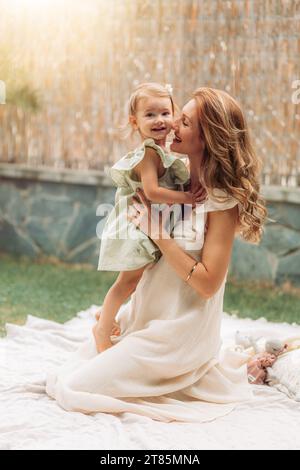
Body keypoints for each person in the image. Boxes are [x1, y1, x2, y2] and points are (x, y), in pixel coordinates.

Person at [45, 87, 267, 423]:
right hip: (147, 317)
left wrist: (157, 231)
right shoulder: (174, 177)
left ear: (207, 138)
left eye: (186, 121)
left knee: (75, 388)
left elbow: (207, 284)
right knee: (78, 366)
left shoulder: (221, 201)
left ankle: (192, 368)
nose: (173, 123)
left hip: (179, 333)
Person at [95, 82, 205, 353]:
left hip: (151, 224)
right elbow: (152, 192)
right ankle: (101, 331)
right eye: (150, 115)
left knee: (139, 282)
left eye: (165, 113)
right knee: (127, 282)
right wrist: (188, 198)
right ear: (135, 122)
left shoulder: (167, 153)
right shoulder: (148, 154)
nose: (159, 121)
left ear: (174, 115)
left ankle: (107, 317)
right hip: (137, 227)